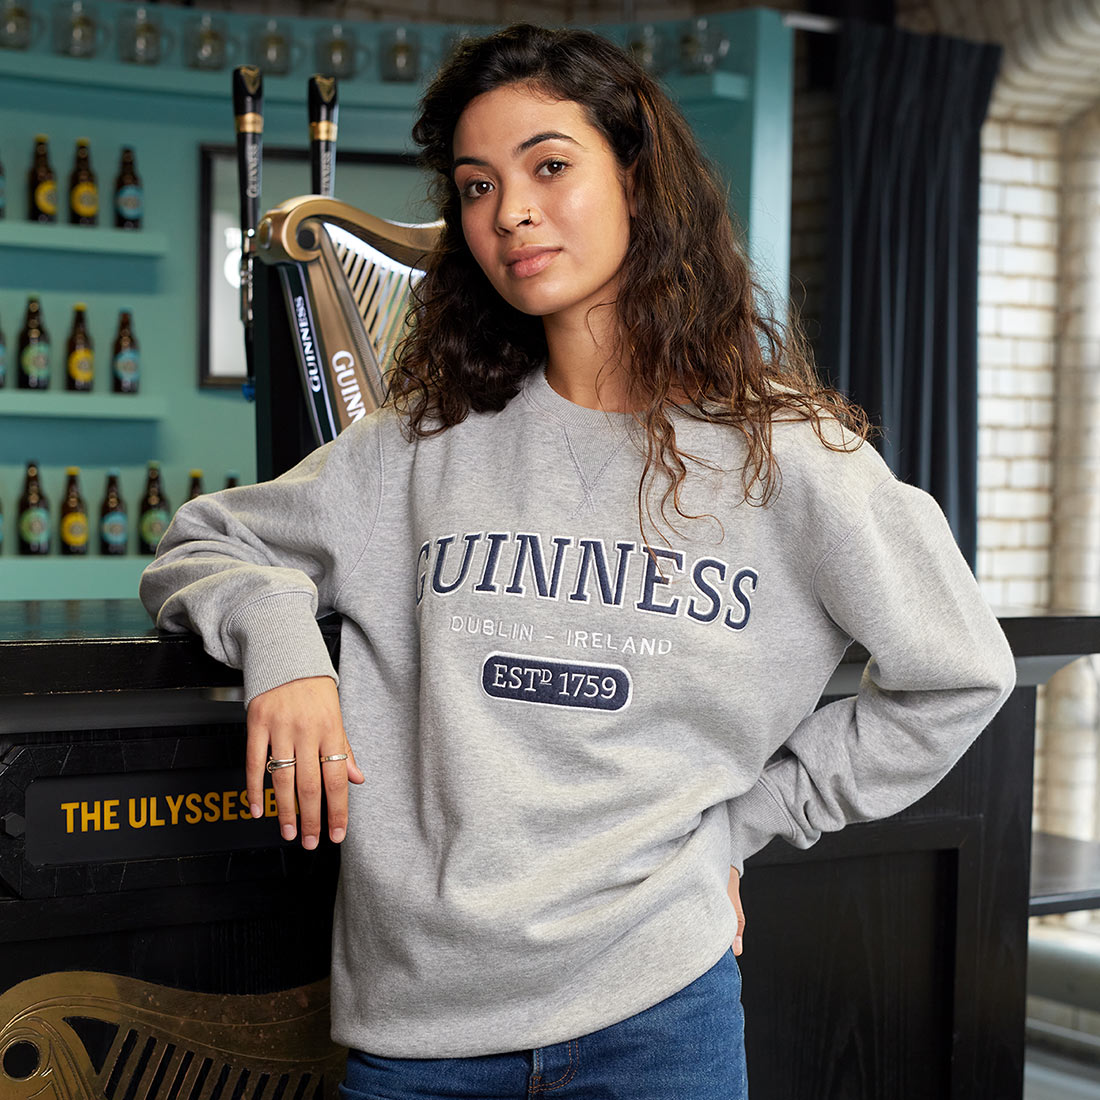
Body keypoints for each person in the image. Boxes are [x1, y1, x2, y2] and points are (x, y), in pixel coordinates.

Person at [140, 22, 1016, 1100]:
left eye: (548, 165)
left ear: (638, 181)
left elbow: (958, 670)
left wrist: (738, 824)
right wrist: (284, 648)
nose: (506, 211)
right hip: (418, 1033)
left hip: (657, 1017)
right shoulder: (419, 444)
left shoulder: (787, 456)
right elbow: (204, 538)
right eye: (474, 185)